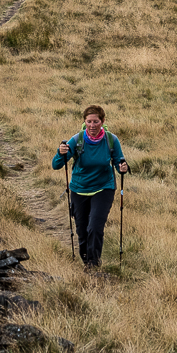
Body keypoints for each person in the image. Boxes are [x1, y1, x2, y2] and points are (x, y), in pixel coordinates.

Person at [52, 104, 127, 270]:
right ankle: (86, 258)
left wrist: (123, 167)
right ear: (84, 122)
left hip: (104, 187)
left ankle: (93, 264)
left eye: (96, 121)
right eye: (89, 121)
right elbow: (56, 165)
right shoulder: (77, 140)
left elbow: (119, 161)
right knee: (82, 229)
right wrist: (61, 152)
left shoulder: (111, 140)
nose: (92, 125)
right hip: (79, 188)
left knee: (95, 226)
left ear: (102, 121)